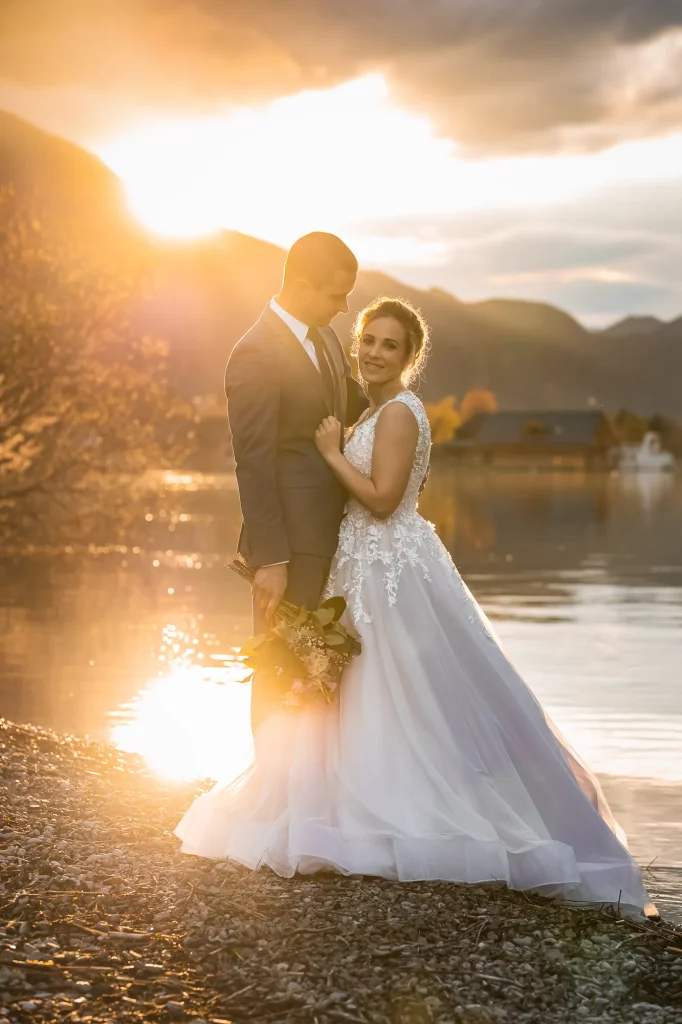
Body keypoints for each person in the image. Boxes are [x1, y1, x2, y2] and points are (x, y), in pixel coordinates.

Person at [176, 296, 657, 920]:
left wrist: (327, 453)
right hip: (365, 564)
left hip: (387, 568)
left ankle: (408, 811)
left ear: (410, 356)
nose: (374, 352)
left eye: (389, 345)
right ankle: (361, 800)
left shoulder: (400, 412)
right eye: (368, 340)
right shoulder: (376, 409)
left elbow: (380, 500)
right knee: (373, 689)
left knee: (402, 688)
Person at [223, 232, 367, 732]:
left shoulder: (324, 337)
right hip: (290, 544)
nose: (345, 307)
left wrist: (402, 421)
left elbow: (349, 409)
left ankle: (314, 788)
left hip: (338, 535)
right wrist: (271, 558)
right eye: (335, 294)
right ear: (301, 285)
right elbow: (253, 461)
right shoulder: (254, 353)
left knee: (325, 672)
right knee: (280, 669)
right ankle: (271, 793)